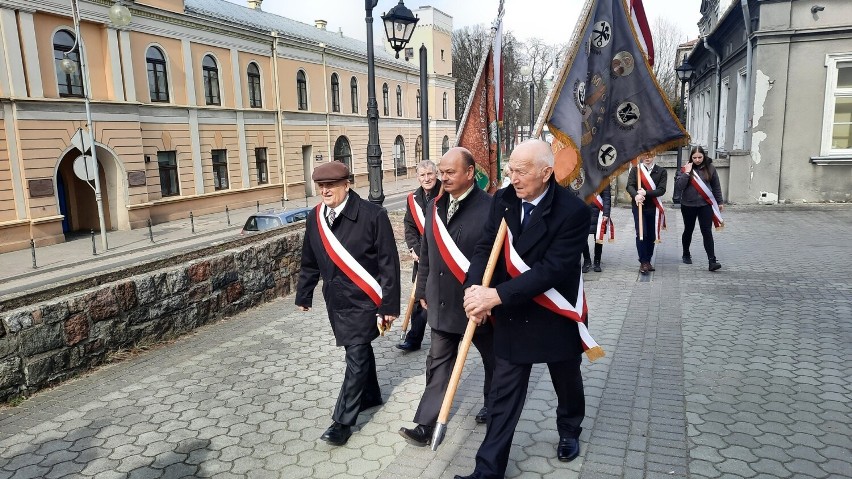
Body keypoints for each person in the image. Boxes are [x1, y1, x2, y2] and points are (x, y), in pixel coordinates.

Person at [458, 139, 594, 479]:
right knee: (503, 396)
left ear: (546, 173)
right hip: (513, 315)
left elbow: (553, 270)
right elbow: (485, 248)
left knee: (567, 380)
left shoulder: (573, 211)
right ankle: (487, 471)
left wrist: (496, 296)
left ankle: (569, 430)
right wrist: (474, 290)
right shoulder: (504, 199)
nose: (513, 178)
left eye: (521, 171)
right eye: (509, 170)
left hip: (555, 313)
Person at [295, 161, 400, 446]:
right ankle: (371, 395)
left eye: (331, 185)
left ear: (347, 184)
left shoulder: (373, 215)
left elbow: (389, 264)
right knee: (360, 349)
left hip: (365, 300)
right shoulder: (315, 217)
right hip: (336, 300)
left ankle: (342, 422)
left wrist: (389, 306)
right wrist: (304, 294)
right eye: (321, 186)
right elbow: (309, 259)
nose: (325, 191)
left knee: (355, 354)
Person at [398, 147, 495, 446]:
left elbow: (498, 259)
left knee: (495, 362)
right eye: (441, 172)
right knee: (439, 363)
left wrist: (490, 299)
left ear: (470, 173)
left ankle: (493, 407)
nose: (443, 178)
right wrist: (424, 287)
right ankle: (426, 425)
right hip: (441, 302)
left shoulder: (490, 208)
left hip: (476, 306)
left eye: (450, 172)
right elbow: (427, 252)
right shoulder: (435, 205)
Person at [399, 160, 442, 351]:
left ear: (436, 174)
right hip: (422, 259)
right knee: (419, 297)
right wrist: (414, 248)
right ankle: (414, 339)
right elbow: (409, 226)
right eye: (423, 175)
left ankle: (448, 336)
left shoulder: (445, 192)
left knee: (445, 296)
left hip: (444, 257)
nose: (427, 178)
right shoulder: (413, 199)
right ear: (418, 178)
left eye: (430, 174)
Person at [674, 145, 724, 271]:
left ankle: (712, 260)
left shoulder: (710, 168)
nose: (697, 160)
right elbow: (679, 186)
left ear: (704, 156)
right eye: (694, 157)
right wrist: (686, 172)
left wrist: (720, 201)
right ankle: (686, 253)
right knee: (688, 230)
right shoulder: (685, 168)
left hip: (705, 205)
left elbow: (716, 186)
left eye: (700, 157)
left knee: (706, 231)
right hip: (688, 204)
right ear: (691, 157)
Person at [626, 154, 667, 274]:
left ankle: (648, 260)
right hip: (639, 206)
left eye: (650, 155)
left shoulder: (661, 171)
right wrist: (636, 195)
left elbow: (661, 190)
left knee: (651, 235)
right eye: (645, 155)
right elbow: (630, 186)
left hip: (653, 207)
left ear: (654, 155)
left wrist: (646, 193)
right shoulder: (636, 170)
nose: (647, 158)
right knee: (641, 233)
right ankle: (643, 262)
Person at [581, 185, 612, 273]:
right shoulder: (580, 175)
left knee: (598, 237)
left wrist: (606, 213)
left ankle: (597, 261)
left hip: (598, 211)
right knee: (582, 237)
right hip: (583, 210)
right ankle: (587, 260)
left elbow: (606, 197)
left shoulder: (603, 175)